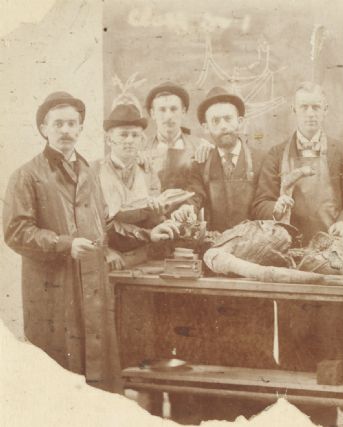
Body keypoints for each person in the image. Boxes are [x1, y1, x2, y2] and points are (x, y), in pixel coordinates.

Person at [3, 92, 180, 392]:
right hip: (53, 290)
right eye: (58, 124)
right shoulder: (27, 175)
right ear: (43, 128)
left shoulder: (87, 172)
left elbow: (105, 226)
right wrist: (64, 244)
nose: (66, 130)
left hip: (93, 288)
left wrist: (148, 235)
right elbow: (16, 232)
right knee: (57, 376)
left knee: (97, 378)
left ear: (81, 129)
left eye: (72, 123)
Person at [252, 81, 343, 243]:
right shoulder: (276, 154)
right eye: (304, 107)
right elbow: (261, 204)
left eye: (316, 107)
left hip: (333, 244)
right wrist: (276, 208)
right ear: (294, 110)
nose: (310, 113)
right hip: (286, 246)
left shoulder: (341, 152)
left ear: (325, 110)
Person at [94, 103, 187, 266]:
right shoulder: (94, 171)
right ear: (109, 139)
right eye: (123, 134)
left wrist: (160, 215)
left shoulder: (147, 171)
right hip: (108, 256)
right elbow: (89, 221)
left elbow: (152, 219)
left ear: (141, 139)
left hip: (141, 255)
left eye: (135, 135)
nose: (129, 140)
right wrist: (106, 251)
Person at [171, 87, 264, 232]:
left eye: (228, 119)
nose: (223, 126)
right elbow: (194, 195)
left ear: (240, 121)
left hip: (253, 245)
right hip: (214, 246)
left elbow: (264, 203)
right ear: (206, 127)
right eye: (215, 121)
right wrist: (187, 208)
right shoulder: (200, 163)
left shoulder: (262, 160)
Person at [140, 81, 211, 187]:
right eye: (162, 110)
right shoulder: (141, 149)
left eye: (173, 109)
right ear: (152, 114)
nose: (168, 116)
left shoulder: (200, 147)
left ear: (183, 111)